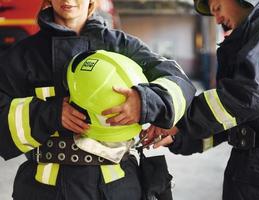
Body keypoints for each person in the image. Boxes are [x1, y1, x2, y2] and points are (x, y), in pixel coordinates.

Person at [0, 0, 195, 200]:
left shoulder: (121, 46)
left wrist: (145, 102)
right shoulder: (24, 55)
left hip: (117, 190)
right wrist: (49, 114)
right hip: (42, 191)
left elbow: (179, 82)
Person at [143, 0, 259, 199]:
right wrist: (178, 137)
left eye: (217, 8)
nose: (216, 18)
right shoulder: (255, 33)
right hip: (254, 165)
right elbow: (231, 119)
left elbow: (249, 94)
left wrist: (181, 122)